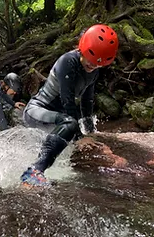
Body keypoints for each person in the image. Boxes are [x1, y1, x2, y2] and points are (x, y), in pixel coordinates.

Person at [20, 24, 119, 186]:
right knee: (70, 123)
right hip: (37, 111)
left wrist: (90, 132)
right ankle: (34, 172)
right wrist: (79, 137)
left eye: (97, 64)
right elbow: (68, 100)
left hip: (59, 119)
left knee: (70, 123)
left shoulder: (94, 72)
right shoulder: (68, 61)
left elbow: (87, 101)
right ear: (82, 48)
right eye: (90, 61)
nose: (93, 66)